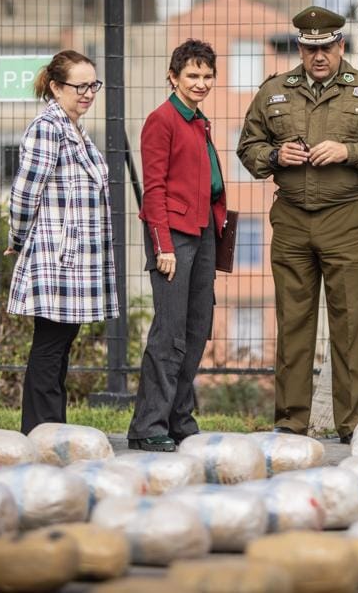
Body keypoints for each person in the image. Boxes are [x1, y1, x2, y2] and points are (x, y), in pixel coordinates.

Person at [236, 6, 358, 444]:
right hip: (291, 218)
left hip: (345, 217)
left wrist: (348, 152)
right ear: (300, 47)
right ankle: (291, 422)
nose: (319, 56)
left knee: (349, 323)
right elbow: (249, 147)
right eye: (310, 48)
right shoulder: (274, 92)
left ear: (340, 46)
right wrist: (276, 156)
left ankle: (353, 424)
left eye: (327, 47)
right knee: (293, 323)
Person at [6, 50, 118, 434]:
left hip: (72, 258)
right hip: (55, 257)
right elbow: (24, 192)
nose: (88, 93)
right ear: (56, 87)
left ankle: (49, 429)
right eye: (79, 86)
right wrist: (18, 239)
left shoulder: (74, 126)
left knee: (58, 347)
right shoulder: (48, 127)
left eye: (93, 85)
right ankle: (40, 431)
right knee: (51, 348)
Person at [127, 39, 228, 452]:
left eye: (207, 76)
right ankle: (147, 425)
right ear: (173, 77)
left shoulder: (198, 121)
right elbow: (154, 191)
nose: (201, 83)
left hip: (203, 233)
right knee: (168, 335)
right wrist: (163, 246)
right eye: (192, 76)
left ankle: (179, 418)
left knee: (196, 329)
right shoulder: (162, 120)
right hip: (174, 239)